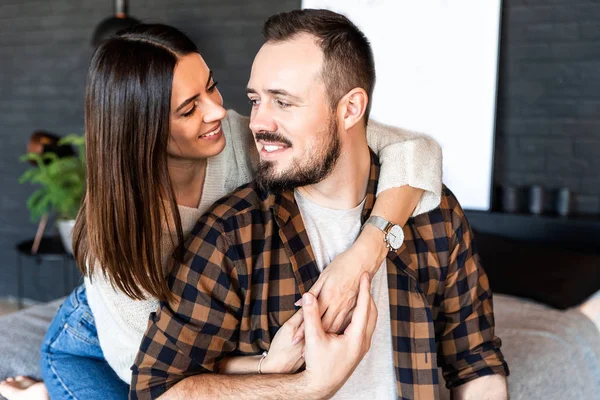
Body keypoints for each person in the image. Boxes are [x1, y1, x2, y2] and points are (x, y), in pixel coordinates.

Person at [0, 22, 443, 400]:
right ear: (143, 129)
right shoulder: (116, 237)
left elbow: (416, 150)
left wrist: (365, 251)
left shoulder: (235, 138)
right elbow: (156, 371)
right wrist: (267, 367)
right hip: (99, 344)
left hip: (204, 326)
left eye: (209, 85)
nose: (217, 110)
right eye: (189, 109)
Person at [131, 9, 509, 400]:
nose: (258, 123)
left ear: (350, 109)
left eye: (283, 103)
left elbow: (475, 364)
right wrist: (303, 387)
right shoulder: (233, 234)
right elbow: (156, 389)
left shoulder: (434, 214)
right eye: (255, 100)